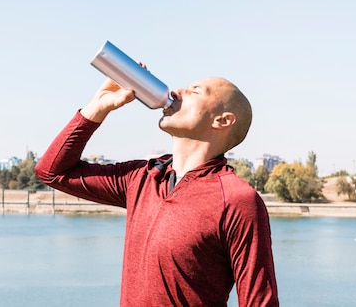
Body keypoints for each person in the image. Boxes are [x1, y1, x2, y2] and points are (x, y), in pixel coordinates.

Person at [35, 75, 279, 306]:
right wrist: (98, 107)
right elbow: (53, 172)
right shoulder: (142, 176)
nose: (175, 92)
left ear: (222, 120)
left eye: (194, 91)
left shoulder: (238, 200)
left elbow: (260, 302)